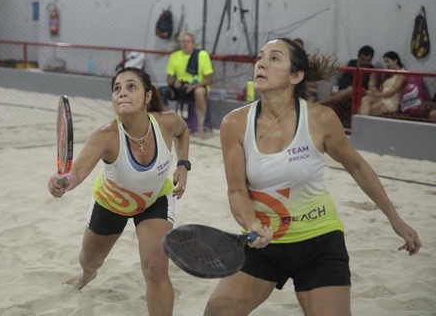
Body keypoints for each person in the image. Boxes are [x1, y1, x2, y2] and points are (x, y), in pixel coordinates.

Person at [204, 38, 421, 316]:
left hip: (318, 241)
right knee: (217, 310)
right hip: (266, 240)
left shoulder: (320, 119)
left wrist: (395, 218)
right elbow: (236, 191)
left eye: (274, 58)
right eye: (260, 57)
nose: (261, 63)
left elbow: (357, 167)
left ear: (296, 76)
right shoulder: (234, 123)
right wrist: (252, 224)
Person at [48, 67, 190, 316]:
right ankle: (85, 276)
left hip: (155, 200)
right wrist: (64, 182)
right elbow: (78, 171)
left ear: (147, 96)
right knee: (89, 261)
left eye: (131, 87)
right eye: (117, 89)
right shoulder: (106, 135)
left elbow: (184, 131)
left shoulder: (166, 122)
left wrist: (183, 164)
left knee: (155, 268)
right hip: (111, 203)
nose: (122, 93)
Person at [160, 32, 214, 138]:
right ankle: (165, 123)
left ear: (193, 44)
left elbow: (209, 79)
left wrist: (193, 86)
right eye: (183, 42)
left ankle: (200, 126)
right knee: (161, 91)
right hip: (181, 87)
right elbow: (169, 77)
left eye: (188, 42)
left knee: (199, 92)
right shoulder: (175, 56)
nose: (185, 44)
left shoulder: (202, 55)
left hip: (196, 86)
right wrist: (173, 82)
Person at [320, 45, 378, 126]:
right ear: (358, 57)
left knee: (350, 90)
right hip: (341, 91)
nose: (365, 62)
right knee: (330, 108)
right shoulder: (349, 63)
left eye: (368, 60)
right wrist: (334, 90)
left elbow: (371, 86)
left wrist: (373, 89)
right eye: (363, 60)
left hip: (357, 94)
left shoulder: (372, 70)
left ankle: (321, 103)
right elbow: (337, 79)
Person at [359, 51, 407, 116]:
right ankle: (362, 121)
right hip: (382, 98)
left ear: (395, 61)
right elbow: (381, 90)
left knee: (371, 109)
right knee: (365, 99)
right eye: (385, 62)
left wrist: (377, 95)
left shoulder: (402, 73)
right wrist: (374, 91)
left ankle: (362, 122)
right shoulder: (387, 74)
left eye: (388, 61)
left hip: (391, 101)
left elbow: (393, 91)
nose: (386, 64)